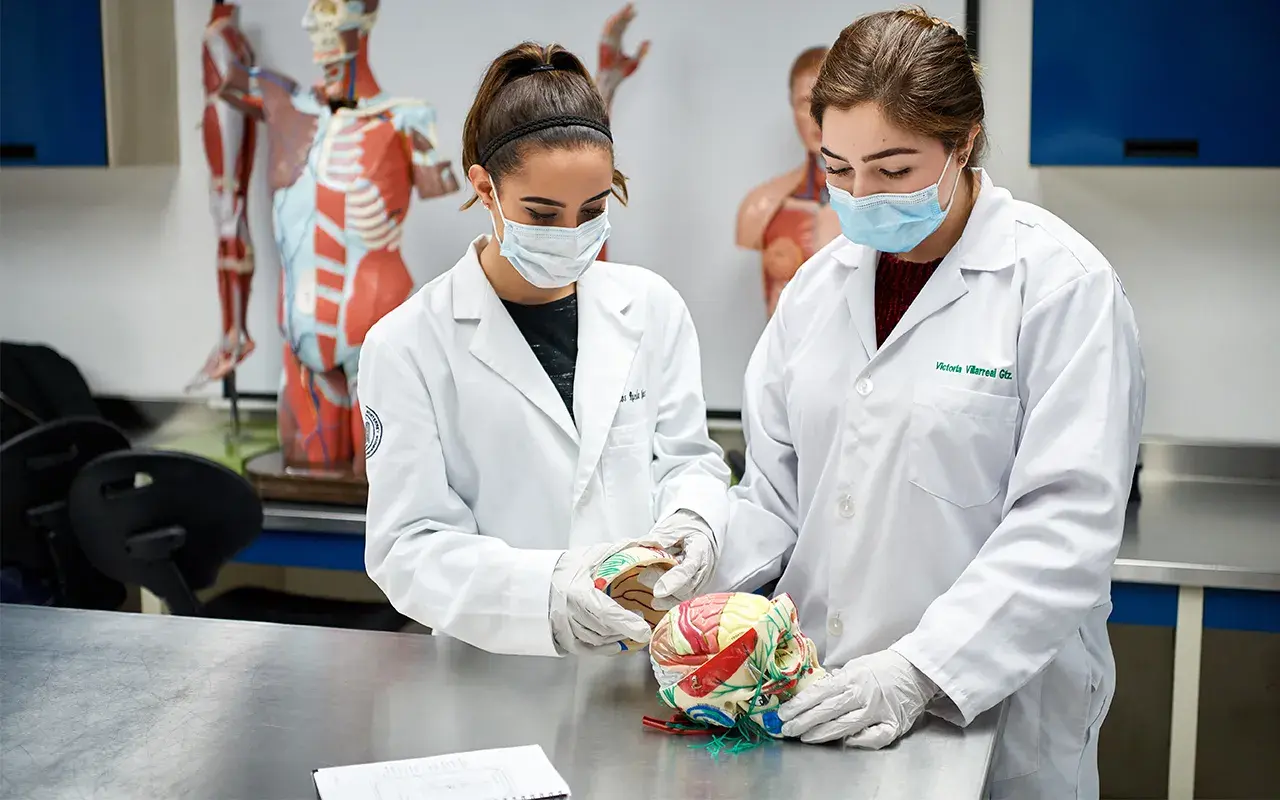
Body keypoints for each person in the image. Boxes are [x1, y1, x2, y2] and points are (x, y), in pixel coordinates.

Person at [714, 8, 1145, 799]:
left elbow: (1065, 528)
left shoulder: (1059, 287)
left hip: (987, 719)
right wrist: (697, 585)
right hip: (819, 711)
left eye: (894, 169)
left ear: (965, 143)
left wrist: (918, 672)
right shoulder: (817, 288)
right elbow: (777, 497)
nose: (862, 197)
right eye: (839, 170)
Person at [358, 43, 729, 658]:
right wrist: (550, 592)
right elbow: (408, 547)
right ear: (485, 188)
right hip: (495, 675)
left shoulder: (651, 307)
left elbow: (688, 460)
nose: (570, 234)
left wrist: (696, 523)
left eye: (592, 209)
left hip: (642, 668)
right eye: (541, 212)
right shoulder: (407, 344)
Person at [735, 46, 842, 317]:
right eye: (804, 102)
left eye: (826, 101)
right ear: (792, 107)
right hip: (783, 355)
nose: (815, 116)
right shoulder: (762, 206)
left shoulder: (877, 204)